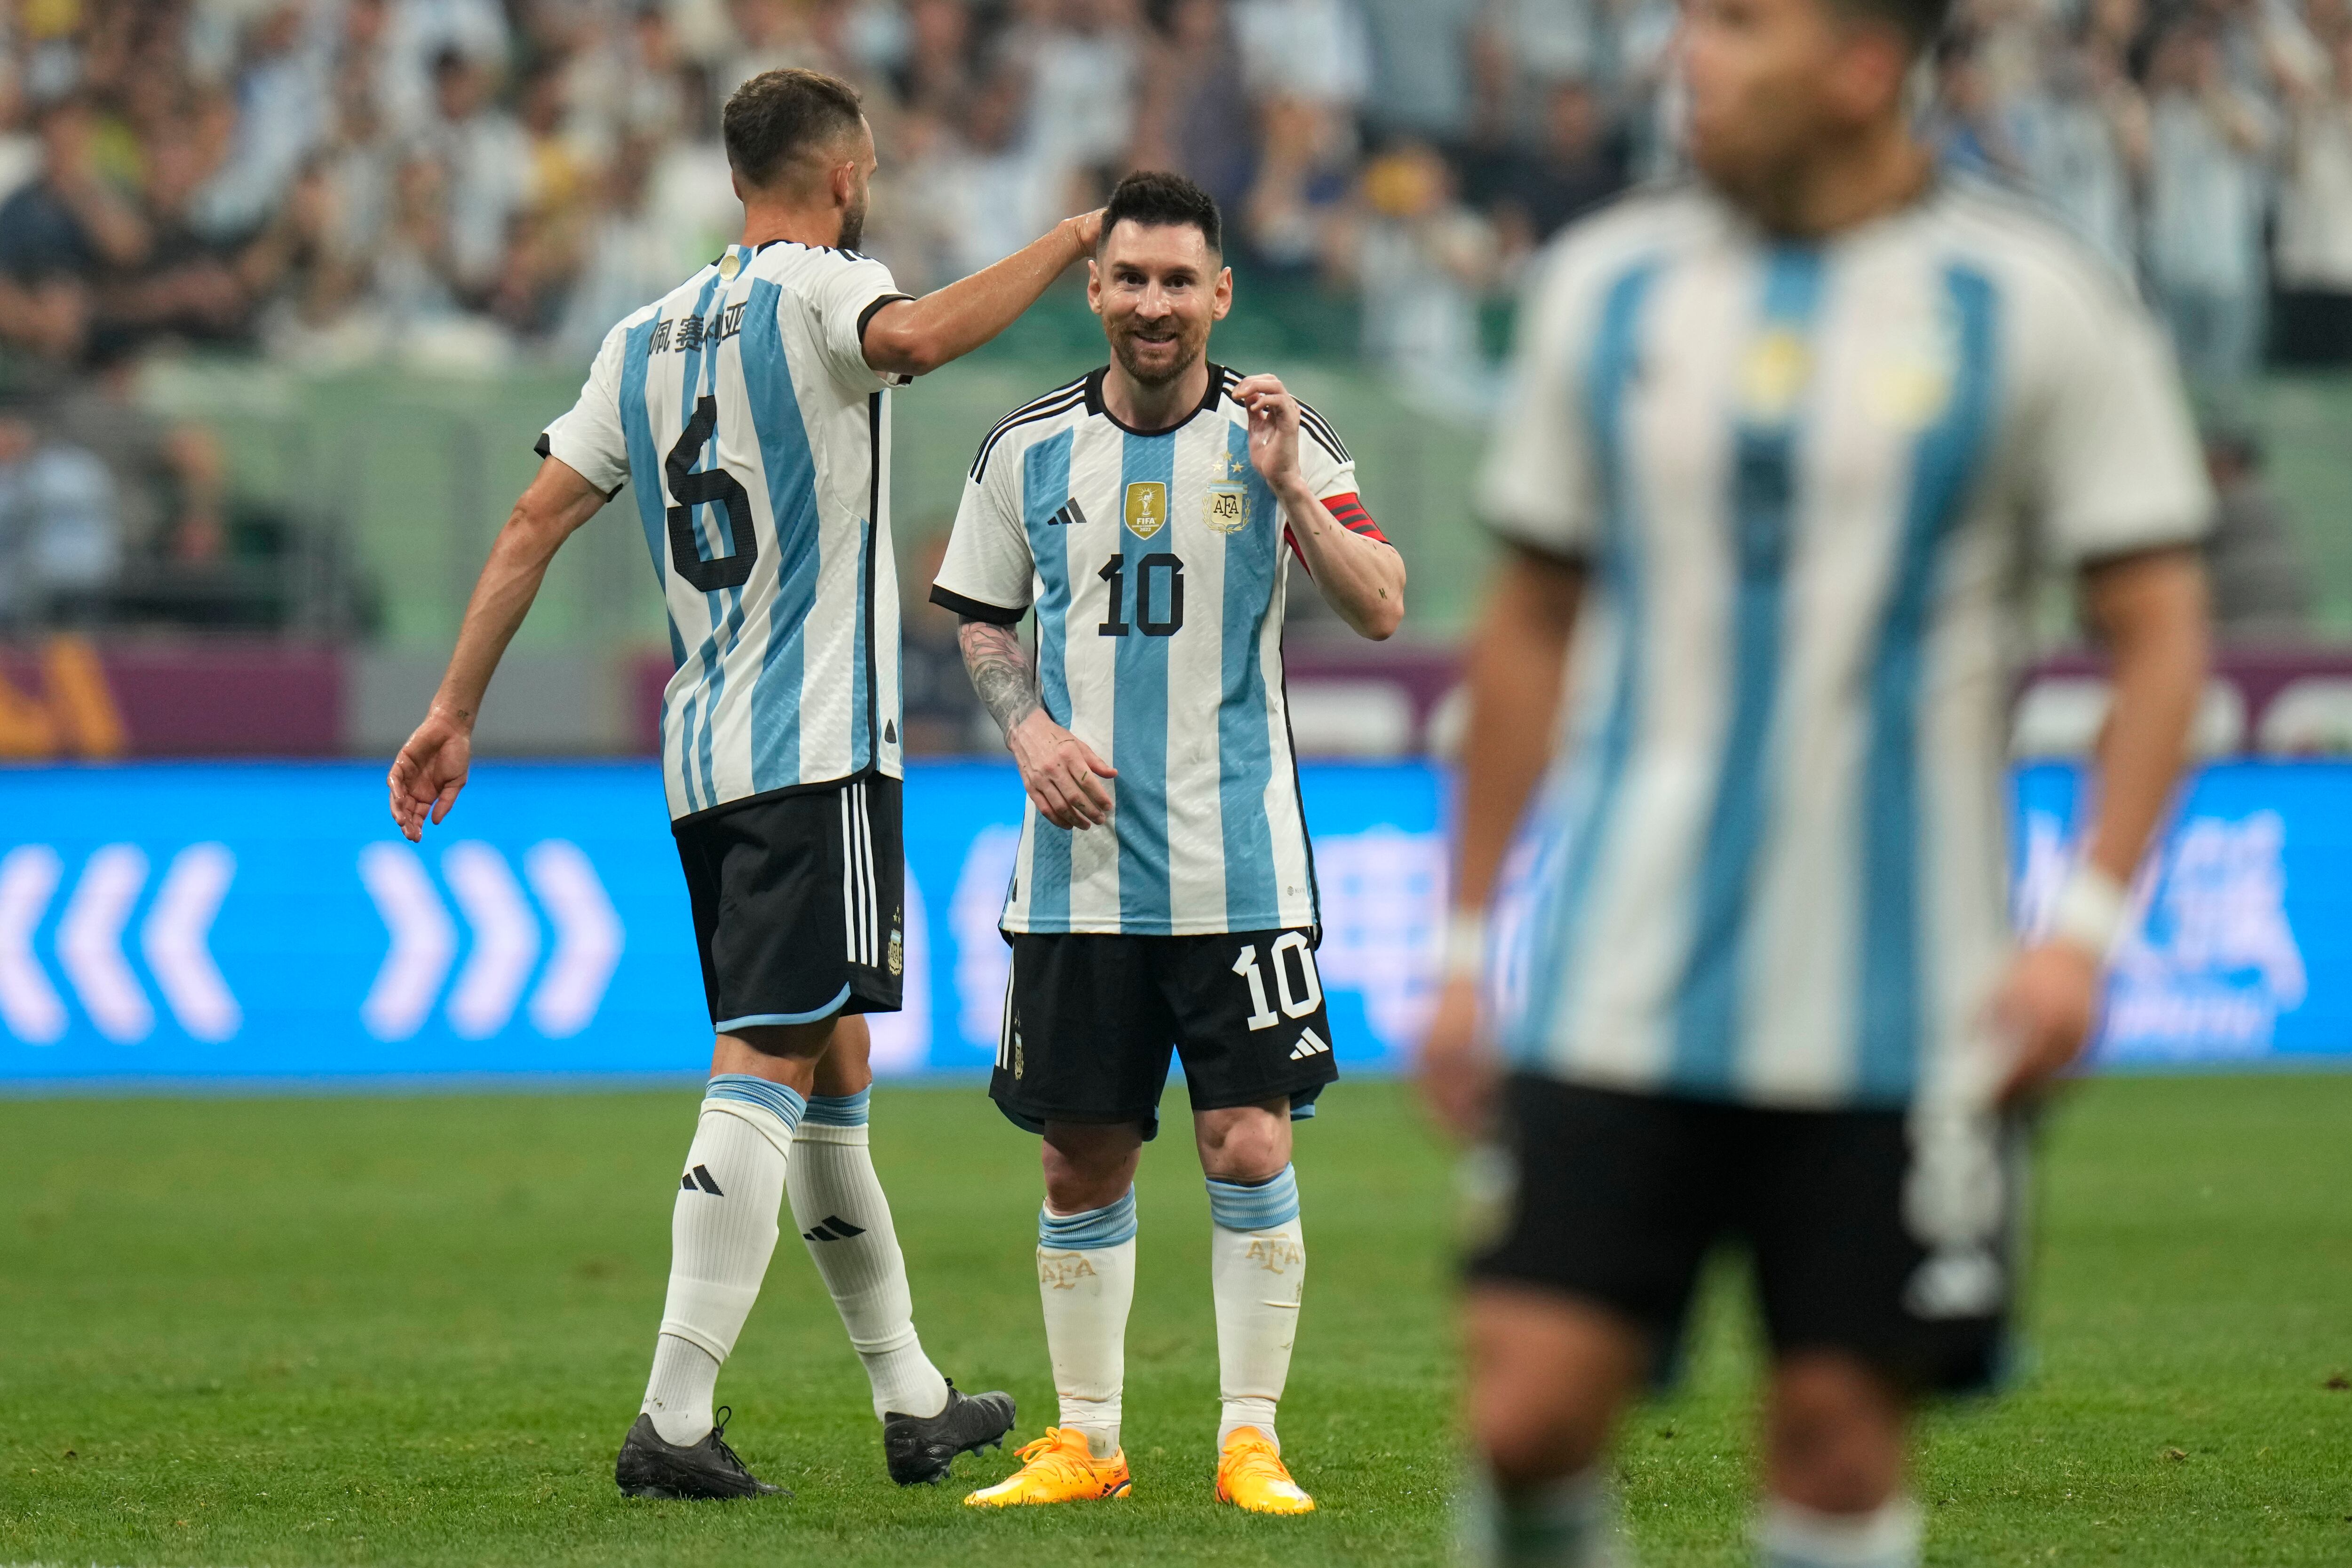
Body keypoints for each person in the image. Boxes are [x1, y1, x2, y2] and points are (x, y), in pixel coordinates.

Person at [1417, 0, 2215, 1557]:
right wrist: (1461, 948)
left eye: (1738, 23)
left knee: (1839, 1444)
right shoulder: (1607, 287)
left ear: (1862, 68)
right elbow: (1528, 623)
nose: (1689, 54)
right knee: (1525, 1414)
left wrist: (2085, 934)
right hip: (1619, 973)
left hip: (1908, 1004)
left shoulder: (2034, 302)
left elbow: (2160, 630)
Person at [385, 66, 1107, 1501]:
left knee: (832, 1075)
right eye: (870, 168)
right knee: (768, 1062)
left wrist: (454, 707)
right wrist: (1071, 240)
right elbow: (918, 335)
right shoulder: (831, 289)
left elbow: (531, 523)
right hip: (816, 751)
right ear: (843, 177)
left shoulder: (640, 336)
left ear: (735, 180)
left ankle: (912, 1399)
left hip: (703, 755)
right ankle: (673, 1416)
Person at [928, 170, 1405, 1514]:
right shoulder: (1025, 449)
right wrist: (1029, 731)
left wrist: (1291, 492)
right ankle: (1088, 1442)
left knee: (1249, 1143)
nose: (1154, 304)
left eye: (1179, 281)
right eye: (1131, 279)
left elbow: (1382, 602)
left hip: (1238, 867)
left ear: (1221, 294)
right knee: (1079, 1154)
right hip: (1080, 876)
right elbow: (980, 616)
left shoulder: (1279, 431)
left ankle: (1252, 1440)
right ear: (1095, 291)